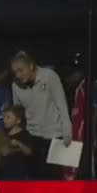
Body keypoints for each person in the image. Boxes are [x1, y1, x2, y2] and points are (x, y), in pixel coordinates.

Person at [9, 51, 73, 179]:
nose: (17, 75)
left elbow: (62, 106)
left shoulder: (50, 76)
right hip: (32, 137)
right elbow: (18, 114)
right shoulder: (15, 86)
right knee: (35, 179)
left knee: (59, 181)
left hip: (56, 136)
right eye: (15, 72)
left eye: (20, 70)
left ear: (31, 66)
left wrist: (68, 134)